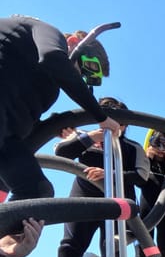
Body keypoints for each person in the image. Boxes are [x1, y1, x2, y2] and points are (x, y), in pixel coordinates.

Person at [0, 16, 120, 201]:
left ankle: (11, 230)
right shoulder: (45, 31)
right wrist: (99, 116)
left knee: (38, 191)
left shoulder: (46, 88)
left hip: (6, 139)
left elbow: (23, 132)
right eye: (79, 69)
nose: (75, 76)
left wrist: (55, 127)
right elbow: (52, 57)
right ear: (73, 42)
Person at [54, 97, 150, 257]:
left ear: (125, 126)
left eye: (119, 122)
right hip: (83, 199)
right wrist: (91, 137)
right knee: (72, 242)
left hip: (117, 203)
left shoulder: (132, 147)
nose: (113, 125)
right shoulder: (85, 137)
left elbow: (141, 177)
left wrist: (110, 174)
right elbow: (60, 154)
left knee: (113, 246)